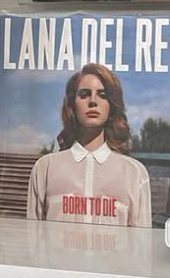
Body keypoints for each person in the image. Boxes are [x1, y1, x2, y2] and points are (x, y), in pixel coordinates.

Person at [27, 63, 152, 227]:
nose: (93, 101)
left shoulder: (135, 173)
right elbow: (32, 237)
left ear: (111, 106)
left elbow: (141, 246)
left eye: (102, 95)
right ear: (72, 105)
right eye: (84, 94)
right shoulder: (45, 168)